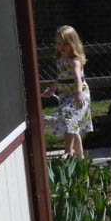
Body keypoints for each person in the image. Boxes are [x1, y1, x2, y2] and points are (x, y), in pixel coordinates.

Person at [42, 25, 93, 158]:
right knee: (70, 124)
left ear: (73, 43)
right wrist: (51, 89)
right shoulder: (60, 60)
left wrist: (78, 93)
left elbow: (77, 79)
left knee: (70, 121)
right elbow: (61, 78)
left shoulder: (75, 61)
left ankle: (69, 152)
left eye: (65, 44)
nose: (61, 47)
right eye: (59, 43)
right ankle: (79, 157)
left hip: (78, 95)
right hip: (65, 95)